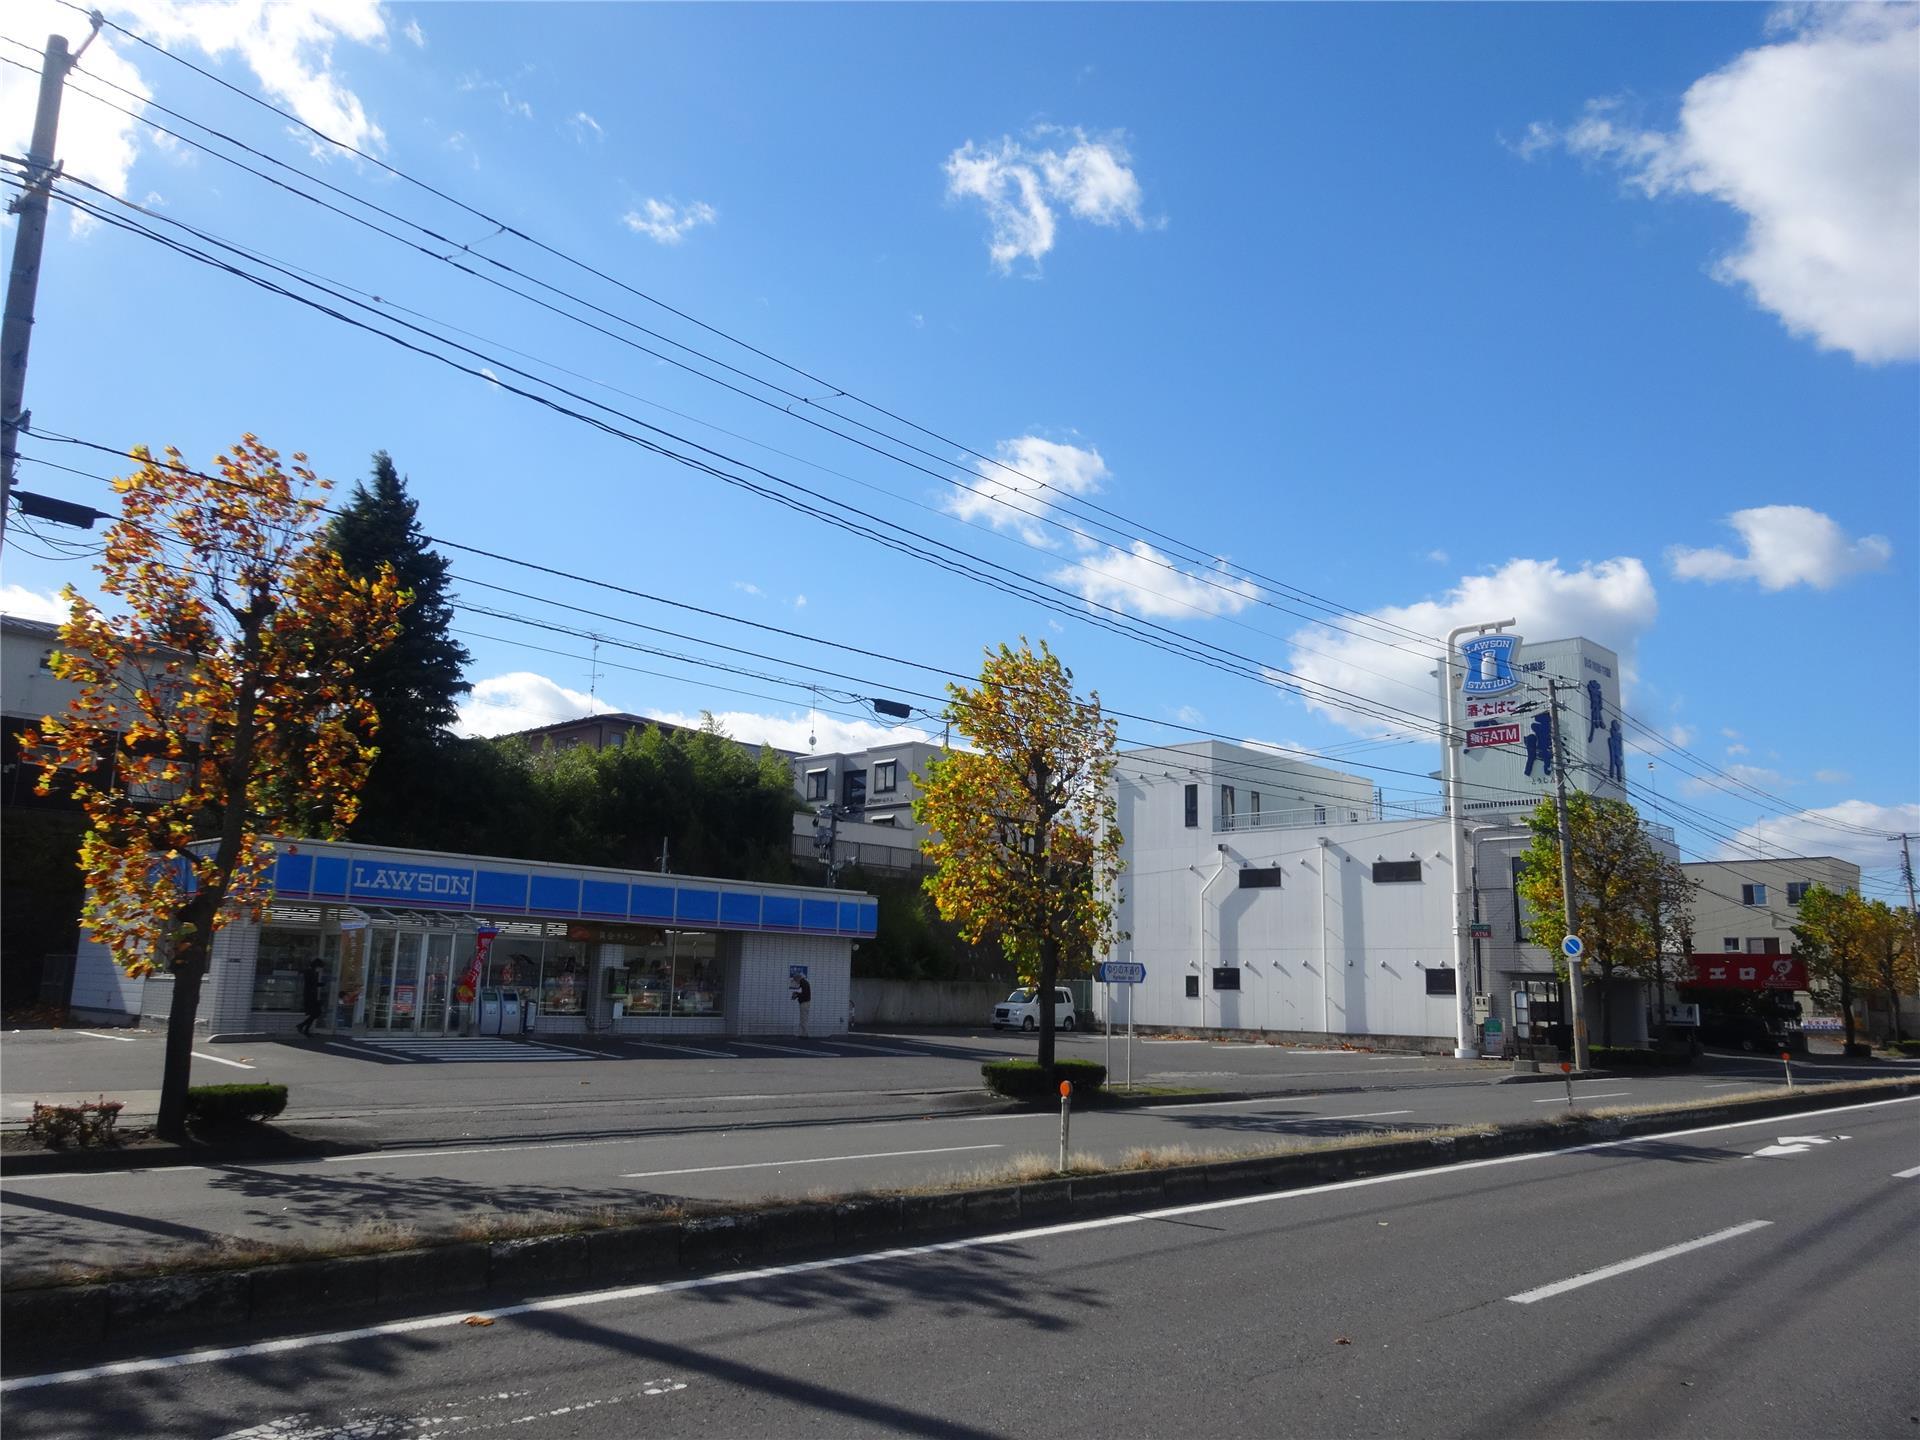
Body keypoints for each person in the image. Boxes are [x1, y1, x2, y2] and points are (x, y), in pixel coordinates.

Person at [296, 957, 326, 1038]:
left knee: (315, 1013)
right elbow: (311, 984)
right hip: (310, 996)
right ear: (317, 966)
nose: (320, 970)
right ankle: (303, 1027)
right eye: (320, 968)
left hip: (311, 995)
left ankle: (304, 1028)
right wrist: (321, 984)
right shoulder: (309, 972)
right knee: (316, 1013)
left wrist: (320, 984)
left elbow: (312, 984)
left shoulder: (311, 972)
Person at [792, 972, 812, 1037]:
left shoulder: (803, 983)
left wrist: (797, 994)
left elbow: (804, 994)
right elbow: (803, 993)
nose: (795, 982)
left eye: (795, 980)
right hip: (805, 1002)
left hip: (804, 1003)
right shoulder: (804, 983)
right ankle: (802, 1033)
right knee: (803, 1018)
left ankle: (805, 1034)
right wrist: (797, 994)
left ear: (798, 978)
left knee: (803, 1018)